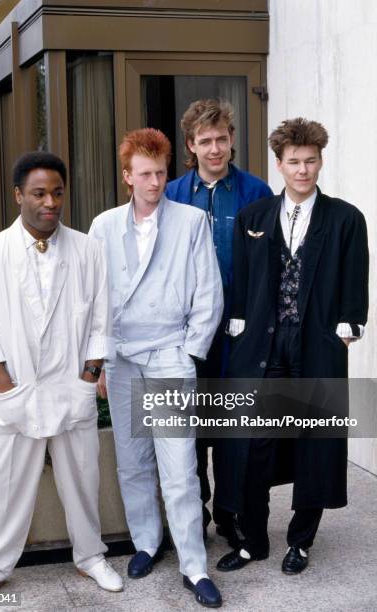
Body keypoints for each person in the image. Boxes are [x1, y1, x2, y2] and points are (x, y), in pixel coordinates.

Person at [0, 151, 123, 609]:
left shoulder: (89, 250)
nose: (50, 202)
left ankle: (91, 556)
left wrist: (89, 374)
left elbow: (101, 319)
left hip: (72, 388)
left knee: (83, 477)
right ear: (18, 196)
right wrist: (3, 382)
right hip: (17, 391)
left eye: (57, 193)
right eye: (38, 193)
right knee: (5, 482)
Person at [217, 118, 369, 575]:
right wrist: (238, 323)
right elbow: (241, 282)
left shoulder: (346, 218)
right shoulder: (254, 218)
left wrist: (348, 326)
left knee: (313, 444)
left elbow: (355, 280)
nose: (303, 170)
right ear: (279, 165)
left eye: (311, 161)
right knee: (253, 444)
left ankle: (301, 541)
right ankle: (255, 541)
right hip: (262, 346)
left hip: (316, 345)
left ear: (320, 161)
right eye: (294, 162)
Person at [90, 128, 224, 608]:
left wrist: (189, 352)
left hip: (170, 354)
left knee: (180, 467)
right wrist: (100, 360)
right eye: (145, 174)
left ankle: (194, 564)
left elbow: (209, 291)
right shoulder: (103, 227)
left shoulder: (190, 221)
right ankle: (147, 542)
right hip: (122, 356)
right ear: (127, 176)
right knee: (132, 460)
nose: (155, 182)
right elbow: (94, 298)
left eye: (161, 173)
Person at [166, 99, 273, 544]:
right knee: (187, 431)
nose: (215, 149)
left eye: (221, 139)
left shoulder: (256, 193)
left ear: (232, 141)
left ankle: (232, 515)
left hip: (238, 335)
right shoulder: (171, 194)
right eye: (205, 141)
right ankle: (196, 515)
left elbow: (272, 265)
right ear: (190, 145)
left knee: (234, 431)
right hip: (184, 335)